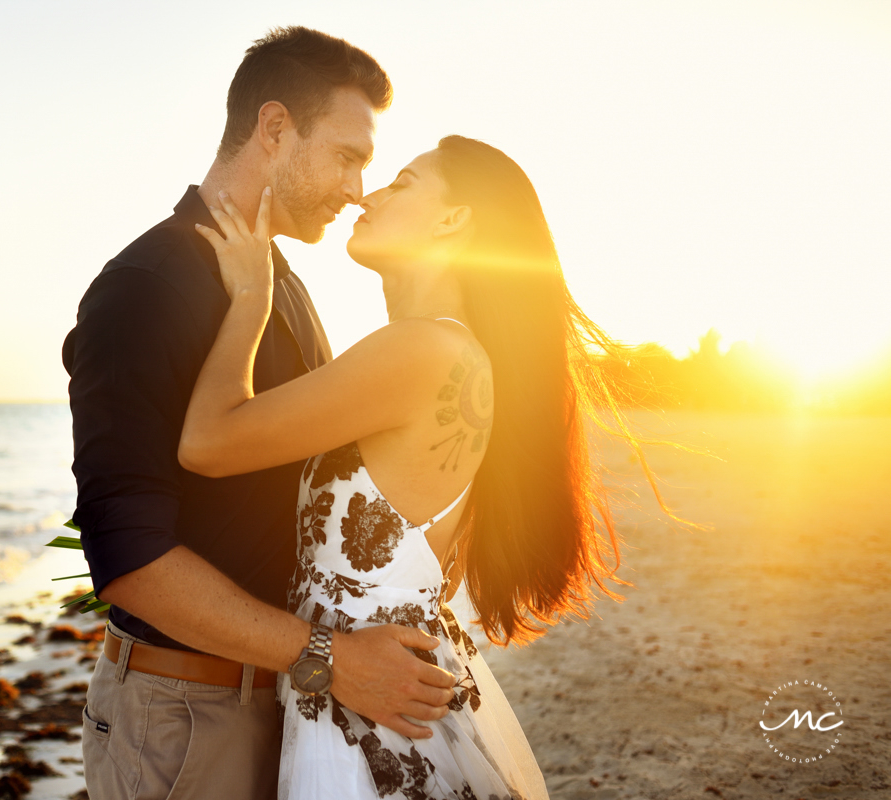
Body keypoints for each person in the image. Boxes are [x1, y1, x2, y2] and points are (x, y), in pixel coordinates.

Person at [180, 136, 647, 799]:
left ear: (454, 220)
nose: (367, 193)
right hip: (384, 692)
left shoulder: (421, 349)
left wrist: (252, 301)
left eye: (401, 183)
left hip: (367, 712)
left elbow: (207, 443)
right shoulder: (455, 352)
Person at [63, 27, 458, 800]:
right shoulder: (147, 284)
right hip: (183, 719)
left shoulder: (285, 284)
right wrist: (332, 659)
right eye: (348, 156)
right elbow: (128, 559)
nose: (355, 189)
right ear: (275, 128)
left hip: (283, 694)